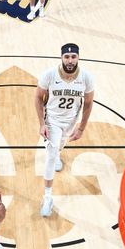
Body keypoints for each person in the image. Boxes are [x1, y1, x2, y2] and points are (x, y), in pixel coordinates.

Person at [35, 43, 95, 216]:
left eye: (73, 57)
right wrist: (42, 123)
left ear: (78, 57)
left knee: (59, 147)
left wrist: (81, 128)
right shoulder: (49, 75)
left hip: (71, 121)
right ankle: (47, 197)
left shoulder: (86, 78)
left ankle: (59, 152)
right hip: (52, 120)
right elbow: (38, 97)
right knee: (51, 155)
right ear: (61, 57)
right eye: (67, 57)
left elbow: (89, 103)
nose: (70, 60)